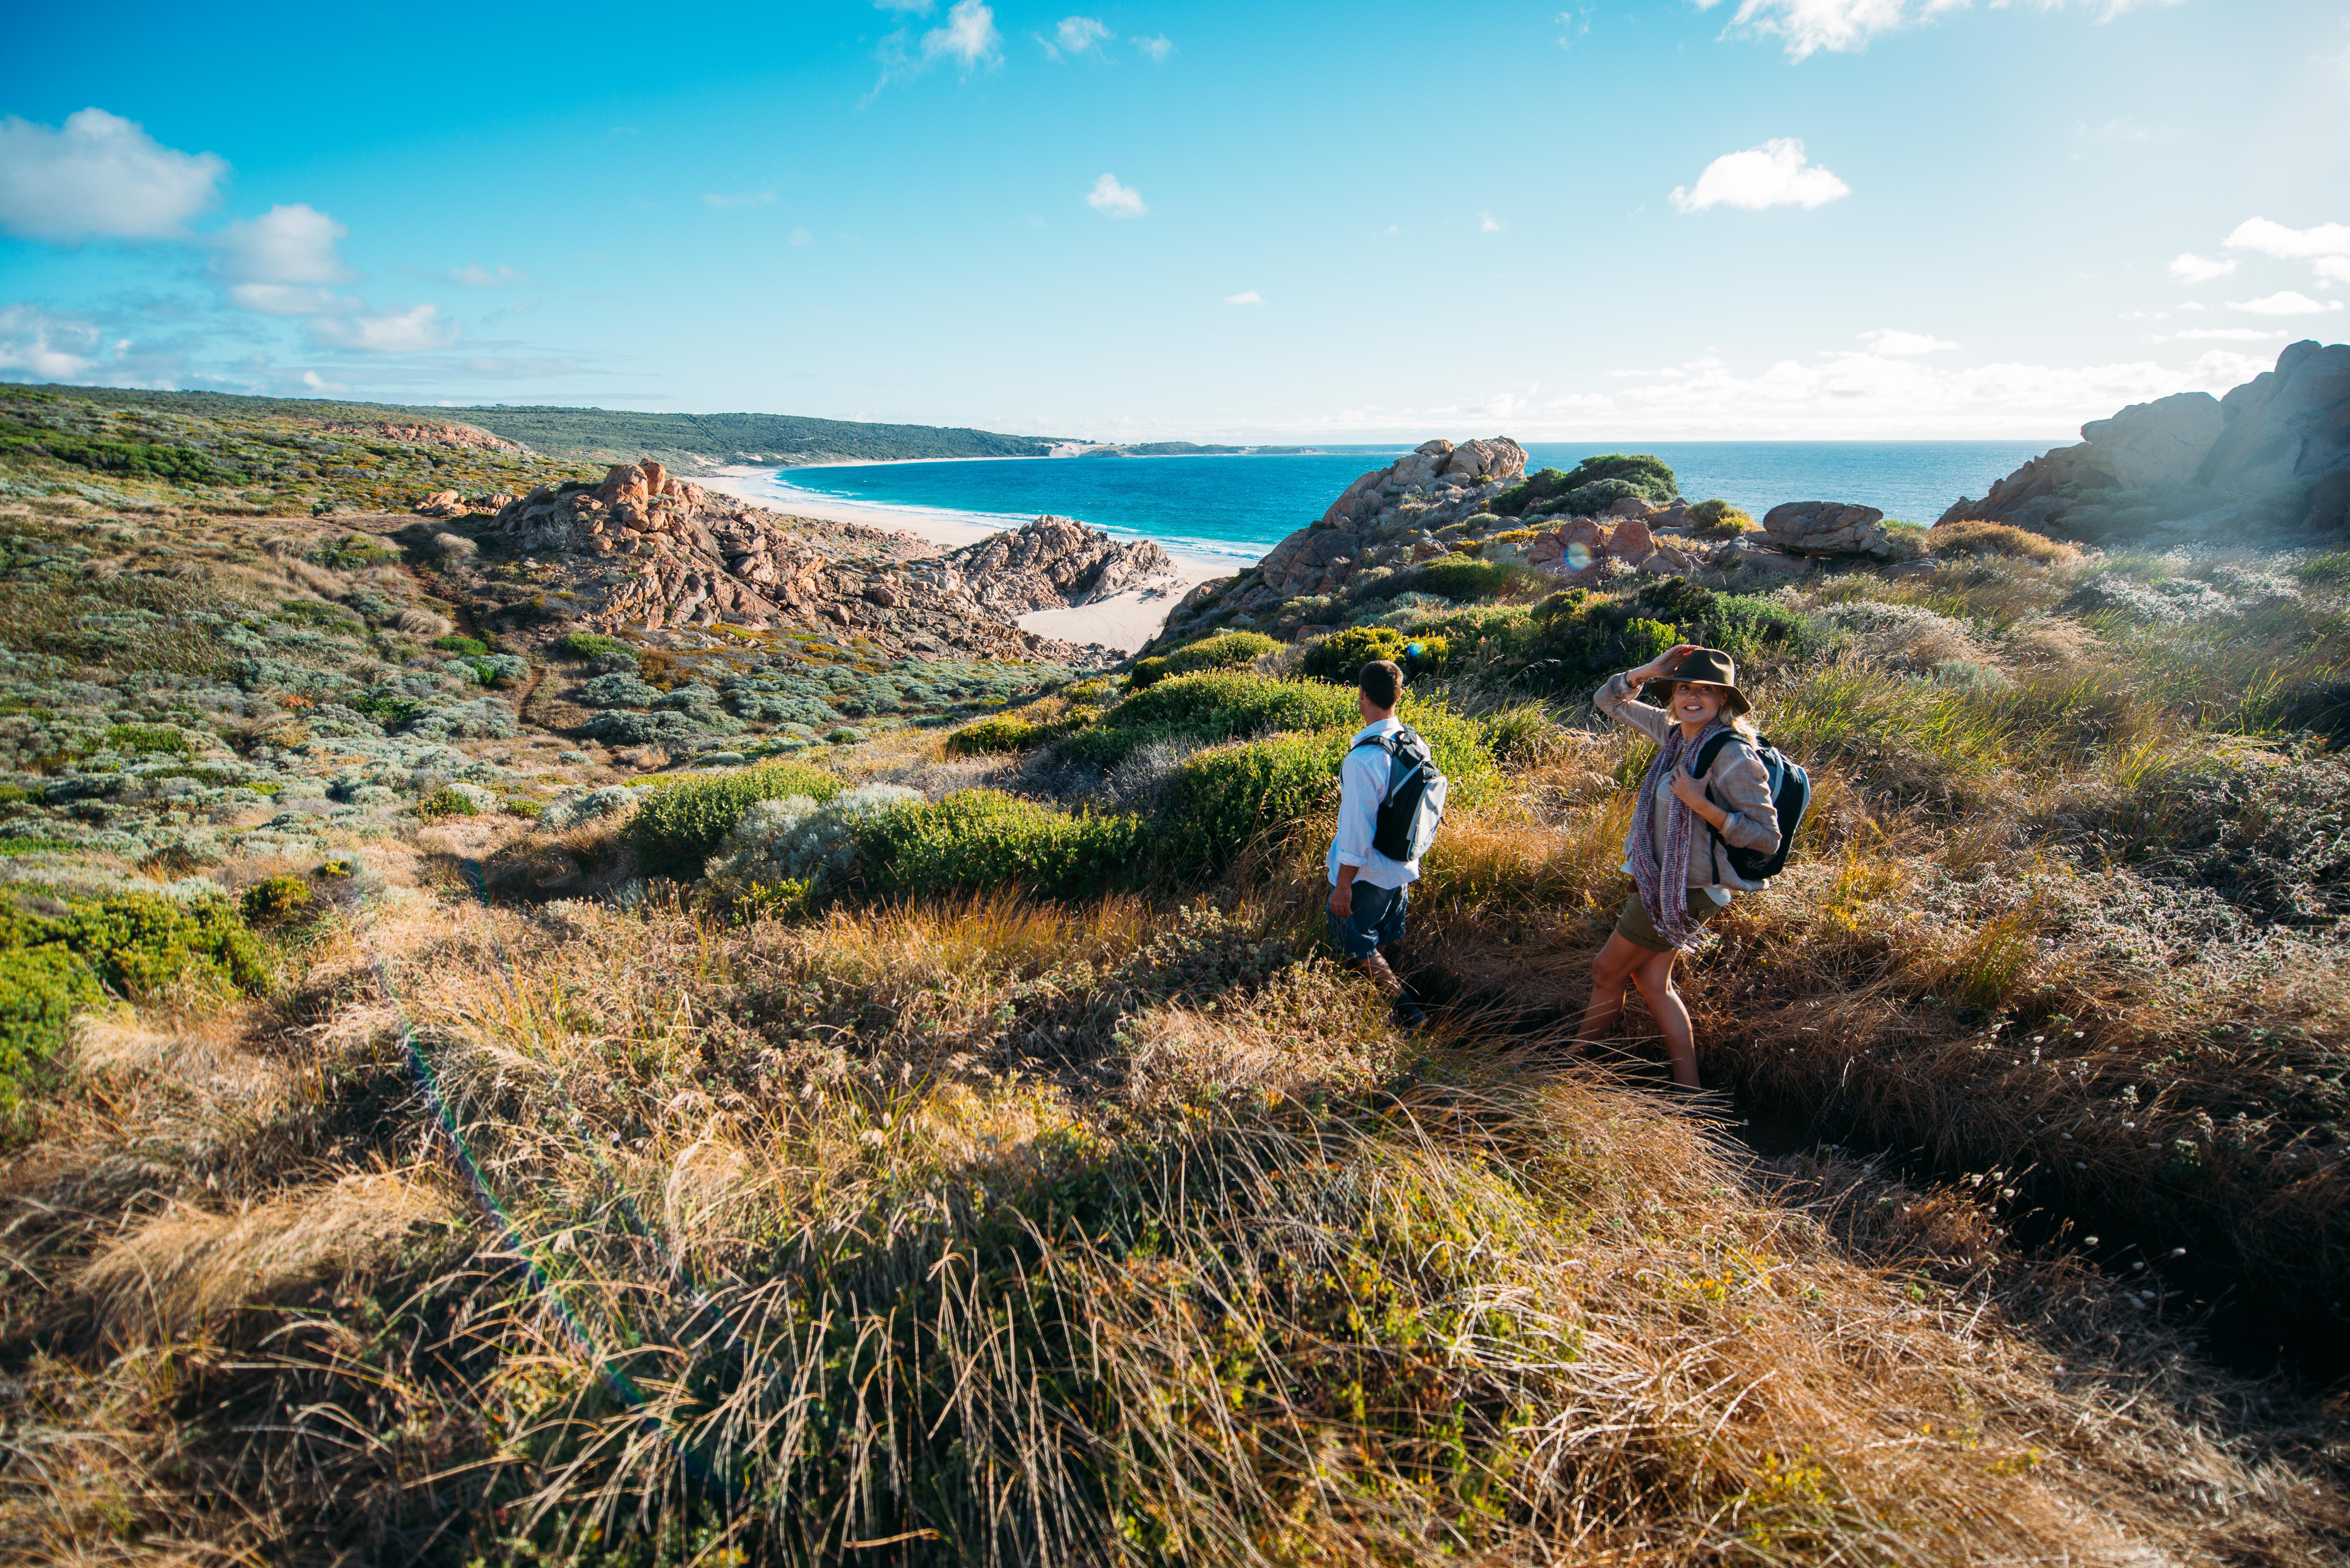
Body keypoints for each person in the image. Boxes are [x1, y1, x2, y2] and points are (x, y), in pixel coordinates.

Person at [1576, 643, 1780, 1088]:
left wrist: (1702, 805)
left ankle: (1571, 1069)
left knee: (1604, 971)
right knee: (1651, 982)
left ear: (1723, 699)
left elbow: (1766, 837)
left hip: (1688, 887)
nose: (1692, 697)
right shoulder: (1674, 734)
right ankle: (1689, 1092)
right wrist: (1648, 670)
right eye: (1684, 687)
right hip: (1659, 879)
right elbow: (1607, 700)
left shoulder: (1732, 755)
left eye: (1706, 690)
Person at [1327, 657, 1427, 1027]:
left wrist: (1342, 886)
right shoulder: (1415, 742)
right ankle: (1375, 1014)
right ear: (1398, 696)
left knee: (1355, 943)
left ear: (1363, 695)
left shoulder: (1364, 758)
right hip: (1402, 868)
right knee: (1376, 943)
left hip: (1368, 875)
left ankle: (1409, 1014)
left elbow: (1356, 833)